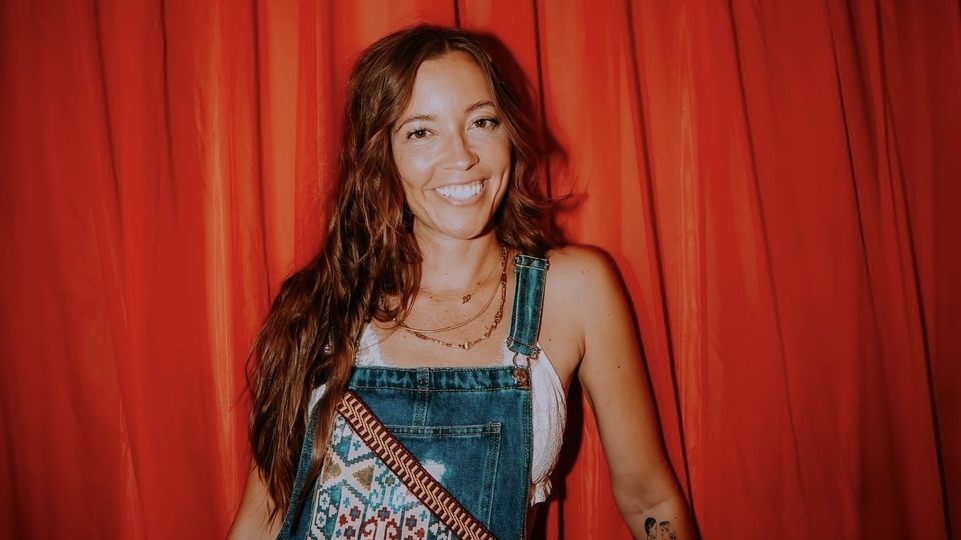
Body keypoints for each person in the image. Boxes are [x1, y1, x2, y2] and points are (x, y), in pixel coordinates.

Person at [227, 24, 695, 540]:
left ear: (510, 135)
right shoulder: (323, 306)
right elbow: (264, 517)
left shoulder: (574, 291)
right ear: (381, 155)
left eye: (482, 122)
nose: (462, 156)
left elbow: (649, 498)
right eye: (421, 132)